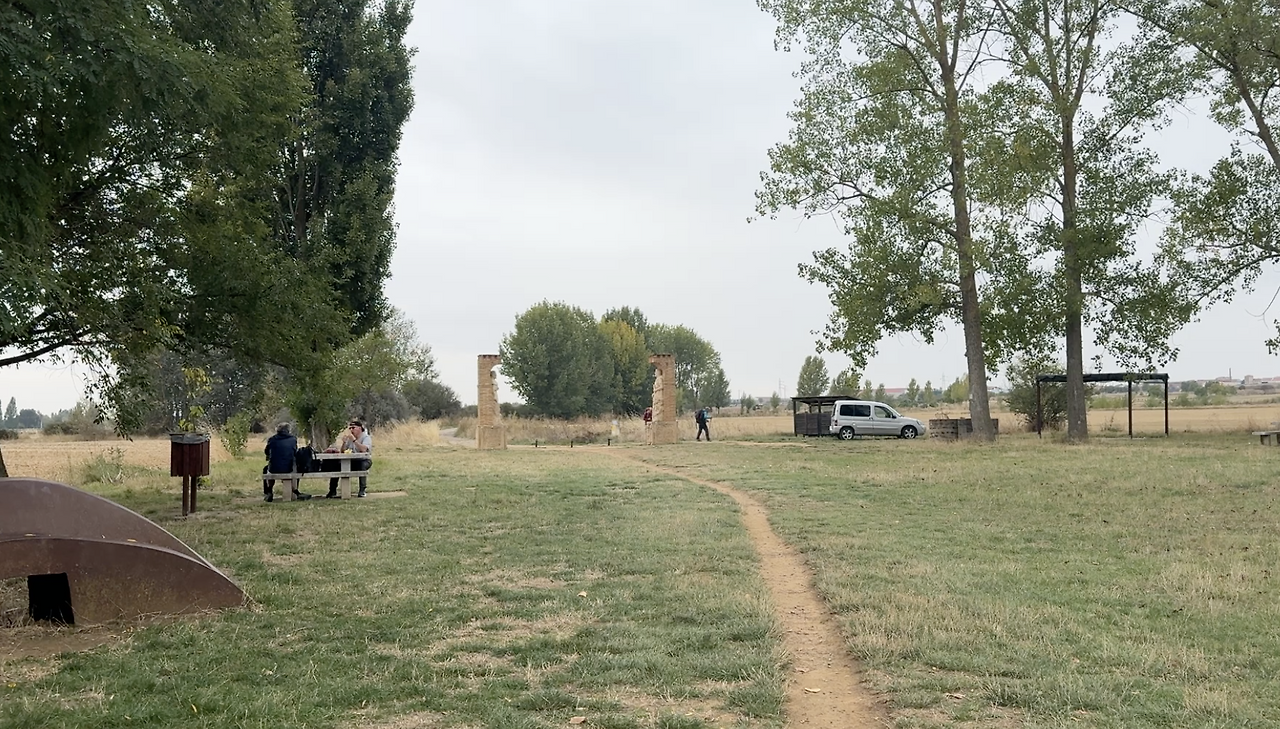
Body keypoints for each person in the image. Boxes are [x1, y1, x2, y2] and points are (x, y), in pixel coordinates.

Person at [263, 423, 310, 501]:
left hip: (274, 468)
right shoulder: (293, 439)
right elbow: (294, 452)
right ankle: (296, 491)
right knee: (294, 468)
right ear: (288, 430)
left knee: (267, 469)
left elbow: (266, 452)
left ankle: (269, 491)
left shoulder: (272, 439)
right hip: (288, 468)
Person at [327, 419, 372, 498]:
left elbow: (364, 449)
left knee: (361, 466)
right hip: (351, 460)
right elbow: (343, 451)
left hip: (364, 460)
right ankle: (332, 490)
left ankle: (362, 490)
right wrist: (344, 442)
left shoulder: (366, 437)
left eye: (353, 428)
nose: (351, 430)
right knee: (336, 466)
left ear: (359, 428)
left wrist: (354, 440)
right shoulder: (349, 438)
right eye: (350, 428)